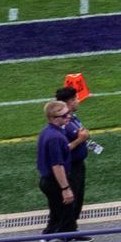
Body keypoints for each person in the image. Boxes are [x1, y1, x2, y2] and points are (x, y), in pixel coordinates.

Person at [37, 100, 79, 234]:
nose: (69, 117)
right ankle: (67, 239)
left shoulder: (47, 132)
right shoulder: (56, 137)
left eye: (68, 113)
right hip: (55, 182)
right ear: (53, 118)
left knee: (56, 213)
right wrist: (65, 189)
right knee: (65, 214)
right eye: (64, 115)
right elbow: (57, 166)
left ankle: (49, 235)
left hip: (47, 181)